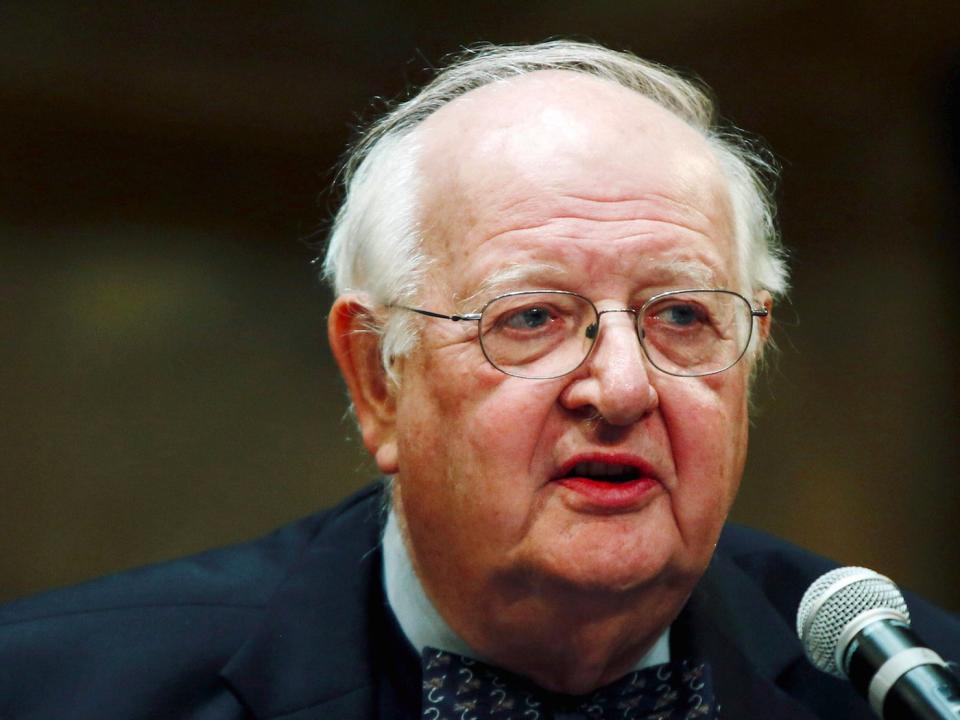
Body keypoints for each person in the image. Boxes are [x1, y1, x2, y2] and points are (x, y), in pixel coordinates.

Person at [1, 40, 957, 720]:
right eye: (531, 319)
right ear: (379, 377)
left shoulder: (911, 684)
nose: (620, 388)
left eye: (682, 317)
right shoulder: (59, 688)